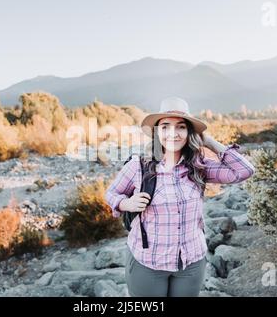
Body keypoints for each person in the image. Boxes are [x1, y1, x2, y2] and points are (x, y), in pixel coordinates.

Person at [104, 97, 255, 297]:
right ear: (157, 132)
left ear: (189, 133)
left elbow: (244, 170)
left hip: (191, 264)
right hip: (148, 263)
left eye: (181, 127)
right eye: (165, 126)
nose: (173, 133)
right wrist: (126, 203)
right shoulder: (138, 166)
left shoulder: (199, 167)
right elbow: (111, 193)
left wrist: (208, 141)